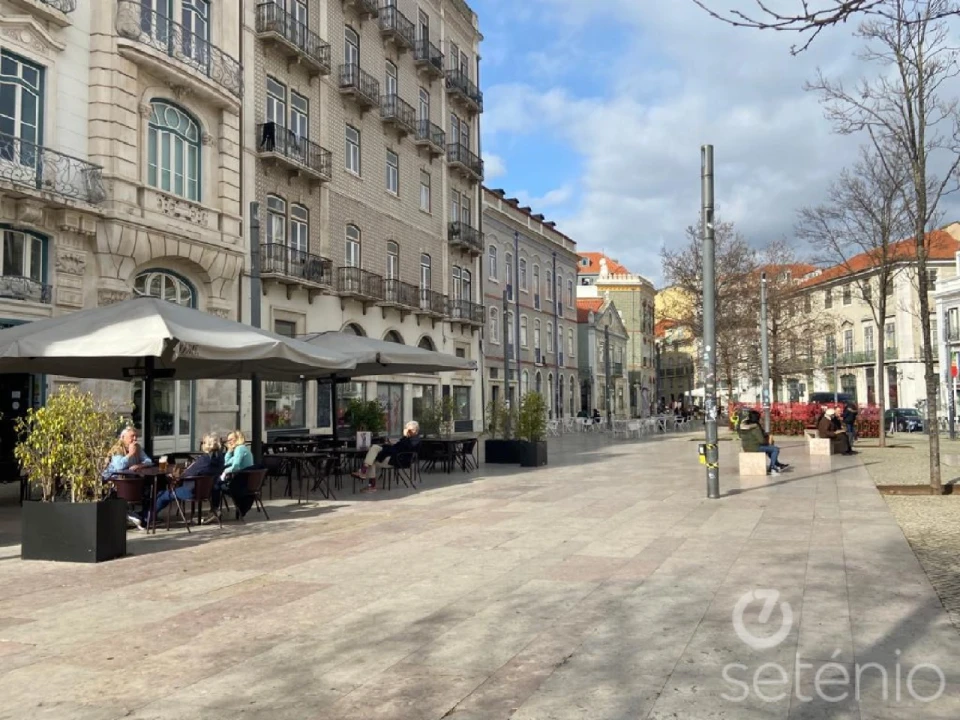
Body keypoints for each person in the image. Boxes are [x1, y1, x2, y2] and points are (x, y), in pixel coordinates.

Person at [152, 432, 224, 525]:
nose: (202, 444)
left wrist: (174, 476)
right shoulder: (219, 458)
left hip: (192, 491)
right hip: (207, 491)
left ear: (207, 445)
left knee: (163, 495)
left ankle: (147, 517)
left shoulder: (204, 460)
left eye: (203, 442)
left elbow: (187, 474)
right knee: (164, 494)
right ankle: (150, 516)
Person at [103, 427, 153, 530]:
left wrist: (140, 465)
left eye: (136, 436)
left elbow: (148, 461)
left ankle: (144, 517)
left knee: (151, 488)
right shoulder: (117, 448)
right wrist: (130, 454)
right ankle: (129, 516)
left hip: (131, 479)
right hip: (115, 481)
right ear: (123, 437)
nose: (135, 439)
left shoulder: (137, 447)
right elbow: (119, 466)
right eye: (132, 436)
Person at [353, 421, 422, 492]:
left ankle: (371, 484)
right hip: (394, 456)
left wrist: (404, 437)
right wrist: (391, 444)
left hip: (399, 460)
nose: (408, 431)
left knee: (372, 461)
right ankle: (364, 471)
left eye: (410, 429)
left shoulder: (415, 440)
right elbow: (398, 447)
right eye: (407, 429)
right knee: (375, 447)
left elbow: (403, 448)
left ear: (415, 430)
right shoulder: (408, 438)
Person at [206, 430, 255, 521]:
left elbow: (235, 466)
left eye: (231, 439)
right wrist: (229, 451)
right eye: (228, 440)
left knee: (216, 485)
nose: (229, 442)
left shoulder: (240, 449)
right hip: (246, 483)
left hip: (241, 484)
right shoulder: (242, 449)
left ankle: (214, 511)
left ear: (238, 439)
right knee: (218, 483)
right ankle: (214, 510)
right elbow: (227, 462)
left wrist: (225, 472)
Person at [738, 409, 789, 475]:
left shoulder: (744, 426)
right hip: (755, 448)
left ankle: (777, 464)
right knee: (775, 449)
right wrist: (768, 442)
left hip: (745, 447)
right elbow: (761, 441)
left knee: (770, 449)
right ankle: (772, 467)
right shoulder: (755, 427)